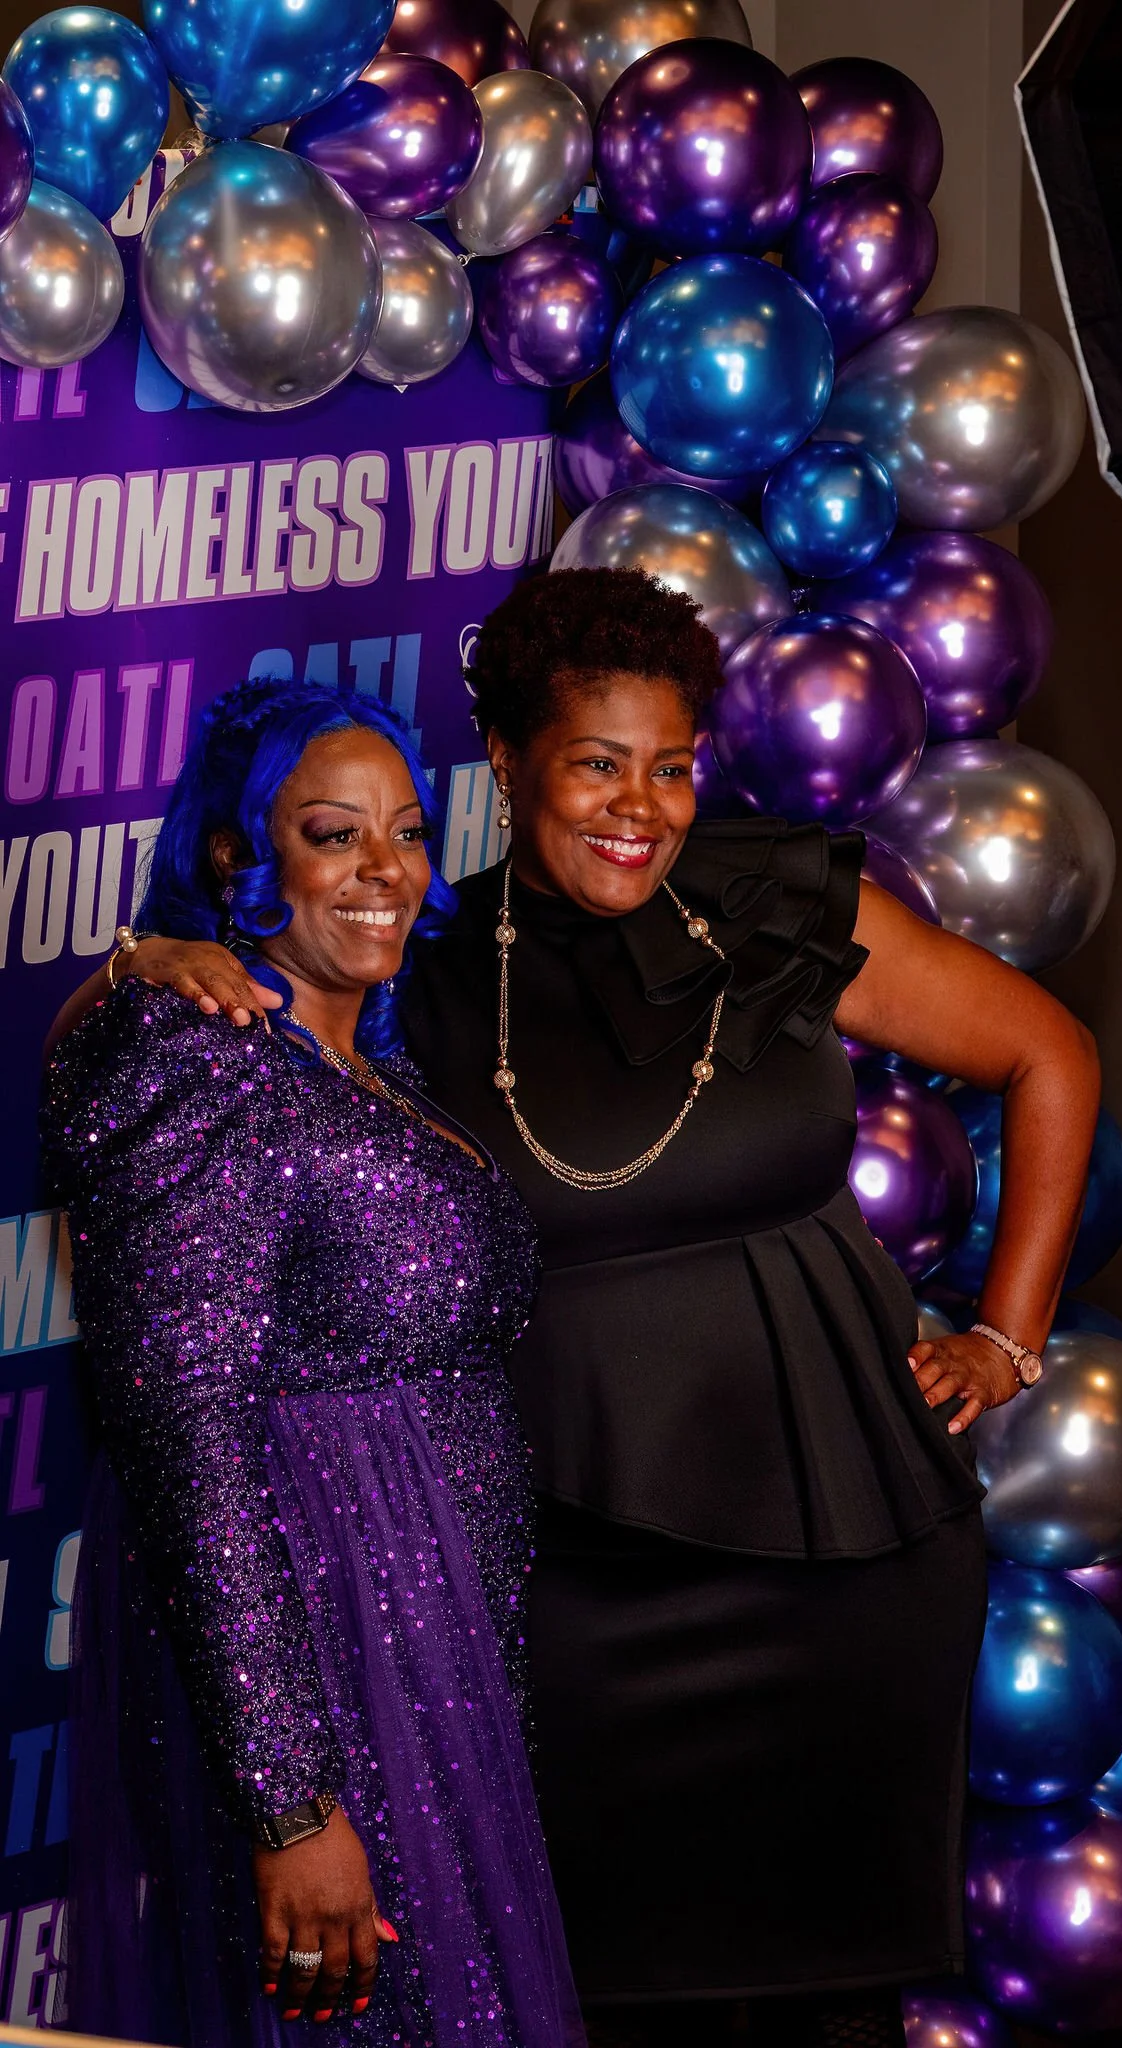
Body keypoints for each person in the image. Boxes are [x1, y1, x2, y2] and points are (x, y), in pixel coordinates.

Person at [55, 569, 1101, 2046]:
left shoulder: (777, 906)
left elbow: (1049, 1051)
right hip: (570, 1594)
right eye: (597, 760)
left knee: (830, 2008)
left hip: (849, 1573)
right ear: (509, 764)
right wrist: (134, 961)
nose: (640, 803)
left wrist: (1006, 1335)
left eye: (669, 765)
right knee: (583, 1994)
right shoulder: (414, 950)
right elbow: (157, 1076)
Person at [42, 683, 581, 2048]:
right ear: (239, 856)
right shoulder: (196, 1053)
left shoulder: (364, 1063)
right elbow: (189, 1441)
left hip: (436, 1659)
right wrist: (291, 1801)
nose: (386, 871)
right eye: (335, 835)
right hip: (330, 1678)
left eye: (405, 833)